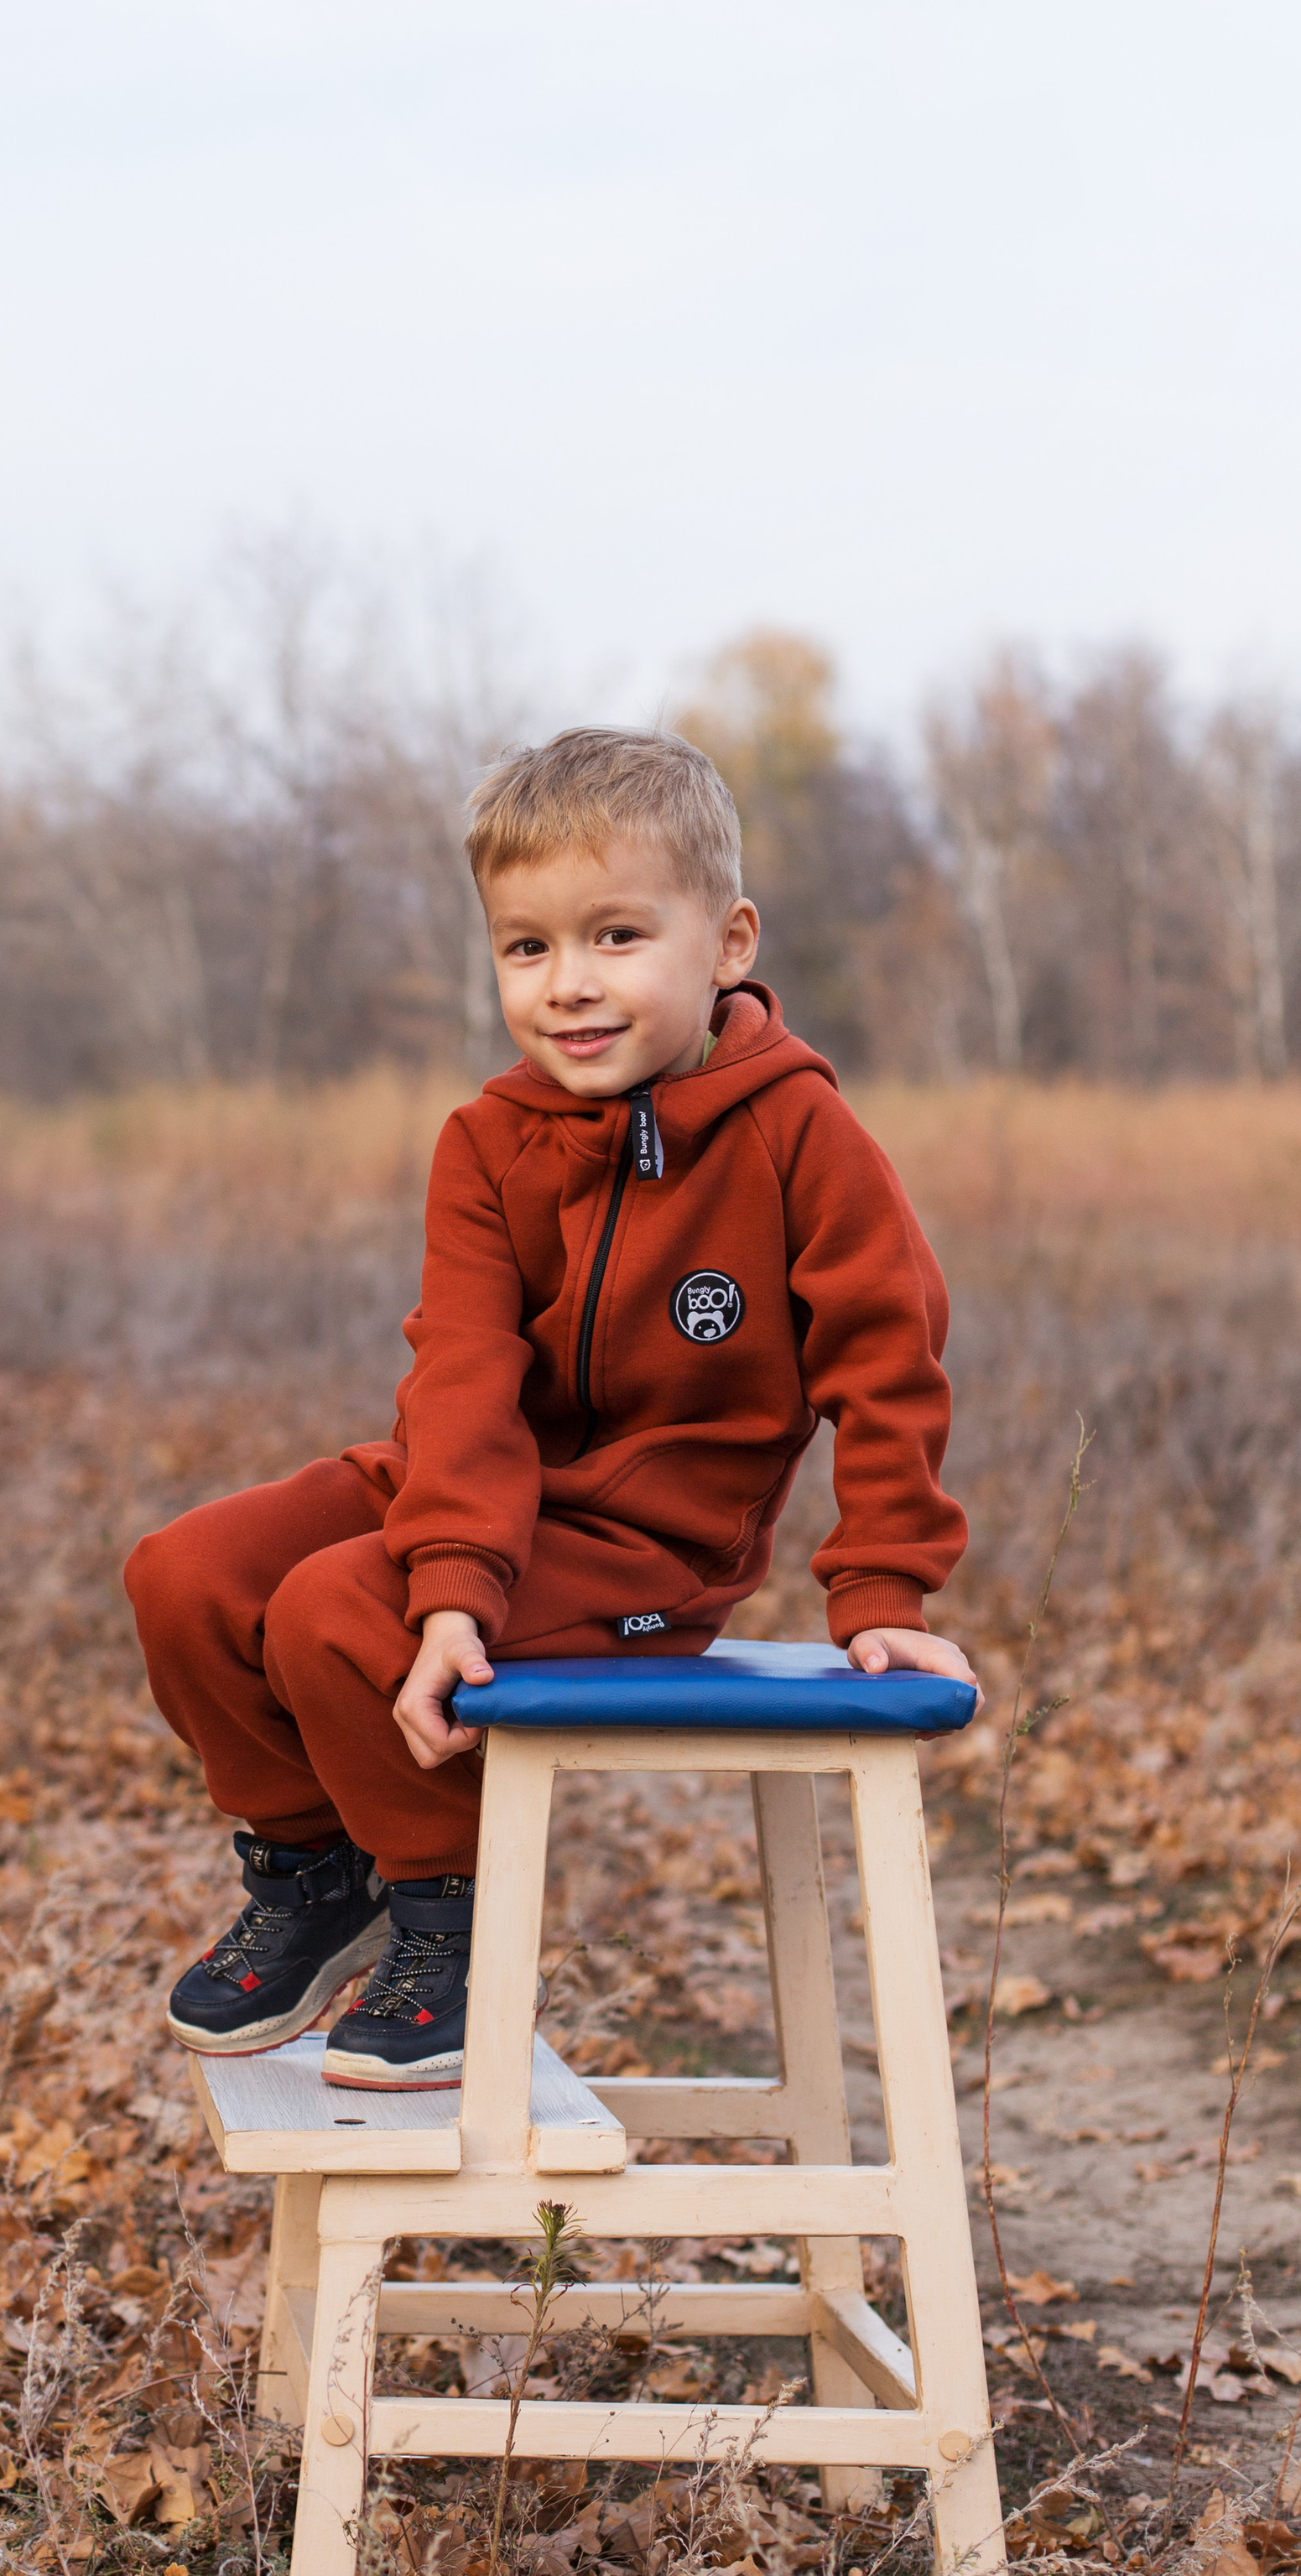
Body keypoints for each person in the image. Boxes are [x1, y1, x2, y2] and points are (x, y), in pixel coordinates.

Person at [126, 726, 976, 2090]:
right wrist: (453, 1576)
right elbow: (461, 1373)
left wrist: (882, 1589)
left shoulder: (801, 1140)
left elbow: (888, 1359)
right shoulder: (489, 1142)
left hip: (642, 1545)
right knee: (185, 1575)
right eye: (527, 948)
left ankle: (452, 1925)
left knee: (339, 1612)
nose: (569, 986)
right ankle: (311, 1866)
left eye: (617, 937)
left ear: (729, 942)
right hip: (463, 1486)